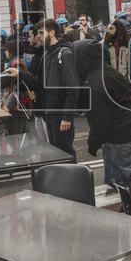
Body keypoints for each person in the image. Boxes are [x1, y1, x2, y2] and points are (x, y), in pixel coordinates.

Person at [74, 40, 131, 188]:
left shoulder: (93, 84)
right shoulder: (109, 71)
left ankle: (126, 210)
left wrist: (93, 144)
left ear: (82, 59)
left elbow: (100, 121)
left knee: (118, 187)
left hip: (122, 138)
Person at [36, 18, 78, 157]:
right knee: (56, 154)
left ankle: (75, 179)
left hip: (60, 115)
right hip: (50, 113)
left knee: (65, 154)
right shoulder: (47, 54)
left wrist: (67, 116)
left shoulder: (64, 54)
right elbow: (40, 83)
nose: (38, 37)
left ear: (52, 32)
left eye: (41, 33)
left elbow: (72, 88)